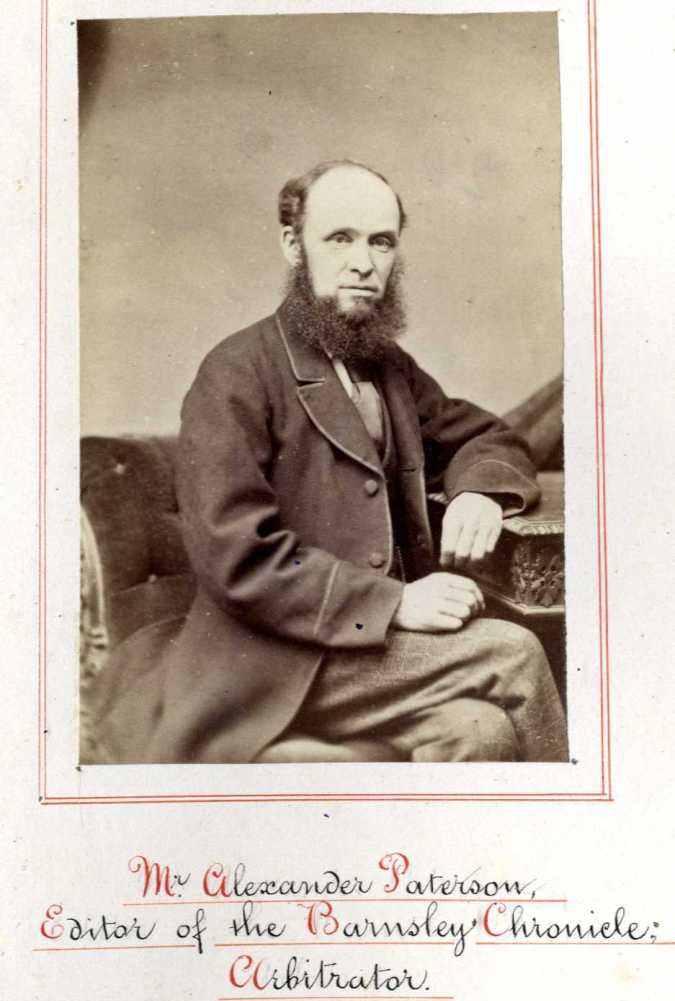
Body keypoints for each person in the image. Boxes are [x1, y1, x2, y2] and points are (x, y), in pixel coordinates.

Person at [93, 159, 567, 764]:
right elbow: (237, 559)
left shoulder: (387, 366)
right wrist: (393, 602)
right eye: (339, 238)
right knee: (515, 651)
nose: (363, 262)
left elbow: (488, 436)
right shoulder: (236, 373)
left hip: (366, 653)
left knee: (481, 731)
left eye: (381, 242)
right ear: (294, 245)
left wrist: (479, 491)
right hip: (274, 655)